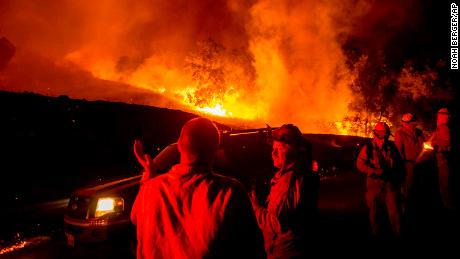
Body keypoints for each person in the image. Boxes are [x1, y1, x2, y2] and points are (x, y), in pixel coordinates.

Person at [131, 117, 266, 259]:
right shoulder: (229, 192)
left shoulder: (150, 189)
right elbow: (253, 248)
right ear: (215, 150)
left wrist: (149, 176)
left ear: (179, 146)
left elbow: (135, 218)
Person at [250, 124, 319, 258]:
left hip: (285, 252)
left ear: (291, 150)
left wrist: (254, 206)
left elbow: (275, 223)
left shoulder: (290, 180)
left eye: (278, 149)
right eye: (273, 148)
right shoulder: (301, 172)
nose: (273, 153)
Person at [356, 122, 404, 238]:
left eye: (386, 135)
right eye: (383, 135)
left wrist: (399, 180)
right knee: (375, 211)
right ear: (376, 134)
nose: (385, 138)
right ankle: (376, 234)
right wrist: (373, 171)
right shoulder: (368, 148)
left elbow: (399, 164)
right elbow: (359, 164)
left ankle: (398, 234)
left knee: (395, 211)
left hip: (390, 183)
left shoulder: (392, 147)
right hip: (374, 183)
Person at [394, 113, 425, 213]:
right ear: (405, 124)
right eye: (411, 123)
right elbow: (399, 152)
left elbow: (424, 146)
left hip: (420, 164)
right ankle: (406, 209)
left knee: (419, 187)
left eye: (414, 123)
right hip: (408, 165)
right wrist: (402, 167)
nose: (413, 125)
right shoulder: (400, 134)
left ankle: (418, 208)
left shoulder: (418, 133)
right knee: (408, 188)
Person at [432, 108, 453, 210]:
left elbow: (446, 143)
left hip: (443, 161)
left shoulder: (443, 128)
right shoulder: (441, 127)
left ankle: (448, 207)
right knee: (444, 185)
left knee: (445, 186)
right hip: (441, 160)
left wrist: (434, 144)